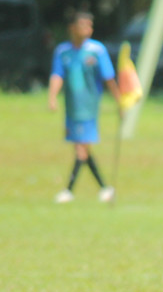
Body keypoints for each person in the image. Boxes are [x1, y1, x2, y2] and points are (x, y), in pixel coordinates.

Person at [48, 11, 121, 203]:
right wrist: (52, 97)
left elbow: (108, 78)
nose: (88, 29)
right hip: (71, 107)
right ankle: (105, 189)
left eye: (90, 25)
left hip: (88, 107)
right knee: (82, 149)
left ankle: (69, 191)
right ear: (72, 28)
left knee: (81, 149)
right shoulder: (63, 51)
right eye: (83, 25)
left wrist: (119, 101)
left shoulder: (97, 50)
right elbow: (57, 75)